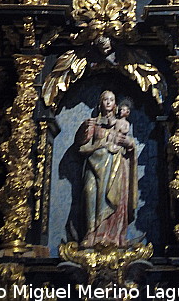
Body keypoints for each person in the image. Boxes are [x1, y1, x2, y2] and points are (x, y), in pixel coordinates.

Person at [75, 91, 138, 248]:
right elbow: (81, 145)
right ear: (100, 103)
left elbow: (129, 146)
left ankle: (114, 236)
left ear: (116, 105)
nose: (108, 102)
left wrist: (130, 145)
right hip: (94, 165)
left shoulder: (121, 124)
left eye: (112, 99)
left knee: (116, 199)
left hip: (116, 166)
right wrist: (85, 130)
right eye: (105, 99)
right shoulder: (93, 123)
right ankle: (91, 233)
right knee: (90, 192)